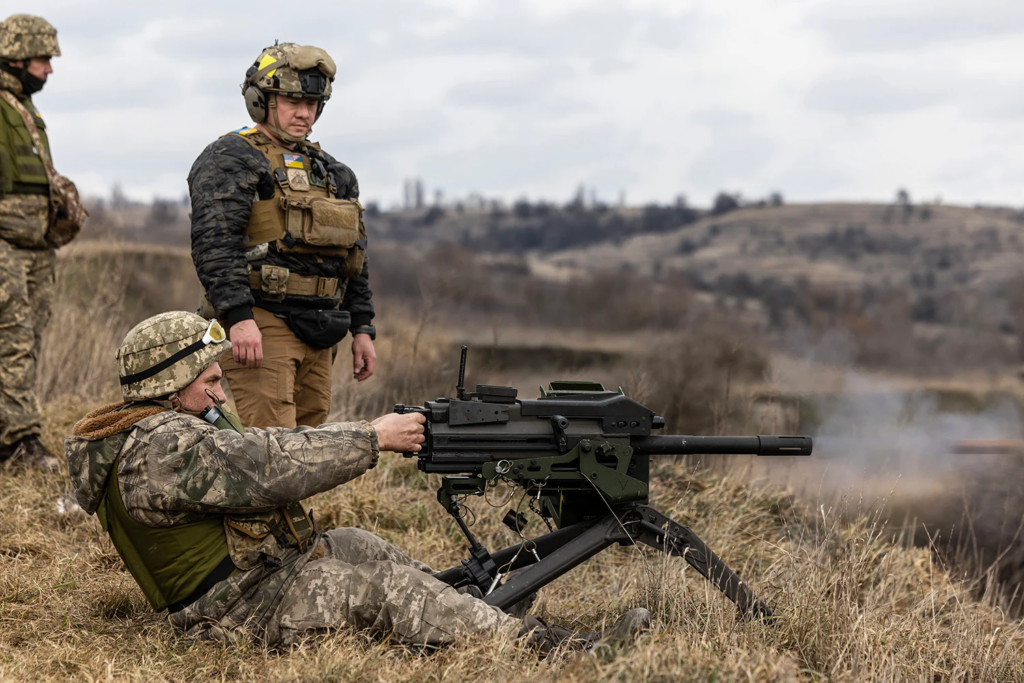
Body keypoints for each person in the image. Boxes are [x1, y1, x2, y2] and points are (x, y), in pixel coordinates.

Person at [64, 311, 649, 651]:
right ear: (168, 386)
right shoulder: (159, 450)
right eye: (209, 382)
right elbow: (269, 465)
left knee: (360, 546)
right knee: (383, 591)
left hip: (260, 575)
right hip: (232, 611)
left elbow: (257, 456)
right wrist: (374, 437)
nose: (221, 395)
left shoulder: (158, 432)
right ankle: (557, 652)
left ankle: (473, 615)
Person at [188, 42, 376, 431]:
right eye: (293, 101)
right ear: (261, 101)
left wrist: (362, 328)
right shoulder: (231, 158)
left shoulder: (333, 173)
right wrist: (239, 318)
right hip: (262, 321)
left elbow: (354, 258)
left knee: (311, 443)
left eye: (313, 103)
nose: (304, 112)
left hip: (322, 328)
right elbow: (215, 245)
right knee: (273, 445)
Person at [0, 14, 85, 471]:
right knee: (11, 340)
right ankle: (18, 444)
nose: (49, 69)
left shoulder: (23, 109)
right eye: (43, 59)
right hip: (5, 246)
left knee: (28, 341)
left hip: (34, 248)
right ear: (17, 56)